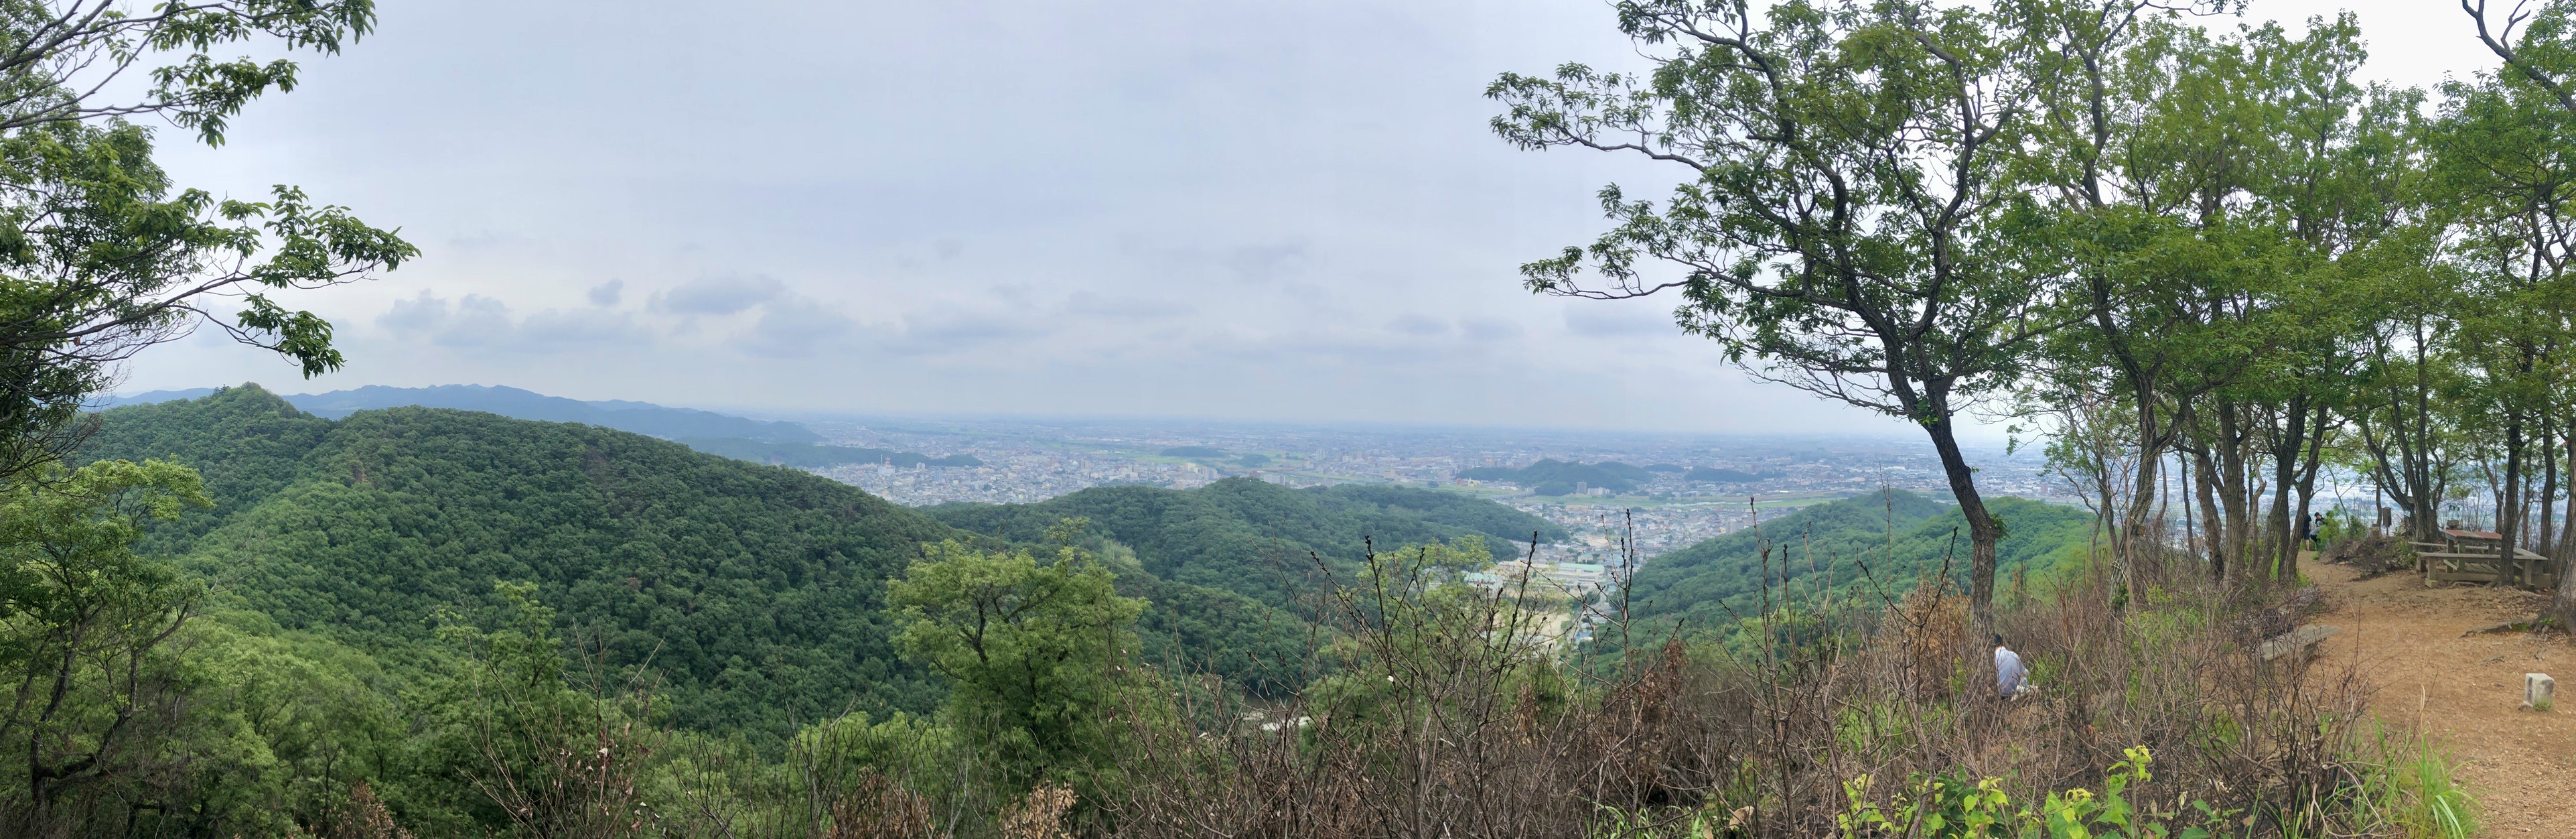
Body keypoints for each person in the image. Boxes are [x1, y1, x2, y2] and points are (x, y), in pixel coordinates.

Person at [1994, 635, 2025, 700]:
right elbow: (2025, 673)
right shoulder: (2014, 655)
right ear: (2003, 643)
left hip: (1999, 695)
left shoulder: (1993, 658)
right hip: (2012, 694)